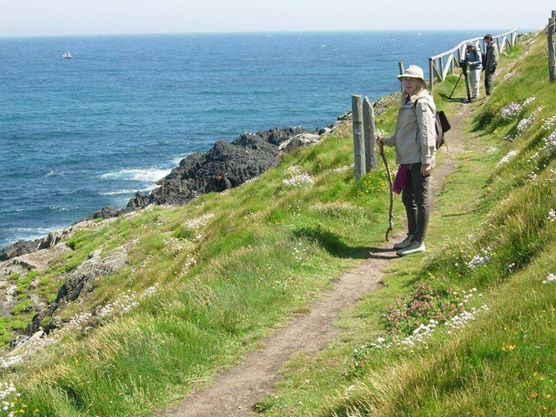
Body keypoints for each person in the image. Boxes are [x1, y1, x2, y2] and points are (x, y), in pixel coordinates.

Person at [377, 65, 437, 256]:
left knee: (421, 200)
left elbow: (428, 134)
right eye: (405, 80)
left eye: (412, 80)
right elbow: (405, 133)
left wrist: (427, 159)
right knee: (407, 198)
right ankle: (411, 236)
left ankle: (419, 241)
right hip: (408, 159)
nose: (408, 83)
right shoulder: (408, 101)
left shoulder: (421, 103)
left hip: (419, 159)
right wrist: (388, 141)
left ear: (420, 82)